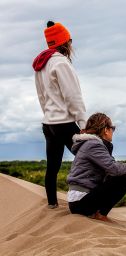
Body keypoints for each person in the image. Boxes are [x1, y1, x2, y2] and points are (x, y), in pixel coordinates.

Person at [32, 21, 86, 209]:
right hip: (66, 123)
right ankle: (88, 204)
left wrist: (48, 115)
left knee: (52, 167)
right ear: (65, 42)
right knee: (91, 160)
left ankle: (52, 204)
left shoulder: (42, 64)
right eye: (70, 41)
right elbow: (73, 96)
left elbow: (41, 96)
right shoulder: (61, 63)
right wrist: (83, 122)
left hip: (49, 124)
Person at [67, 113, 126, 222]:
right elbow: (113, 168)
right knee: (123, 179)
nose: (113, 131)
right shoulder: (93, 144)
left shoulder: (90, 144)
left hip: (80, 200)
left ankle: (97, 213)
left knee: (114, 176)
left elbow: (109, 164)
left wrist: (124, 165)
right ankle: (100, 215)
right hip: (80, 203)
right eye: (112, 128)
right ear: (105, 130)